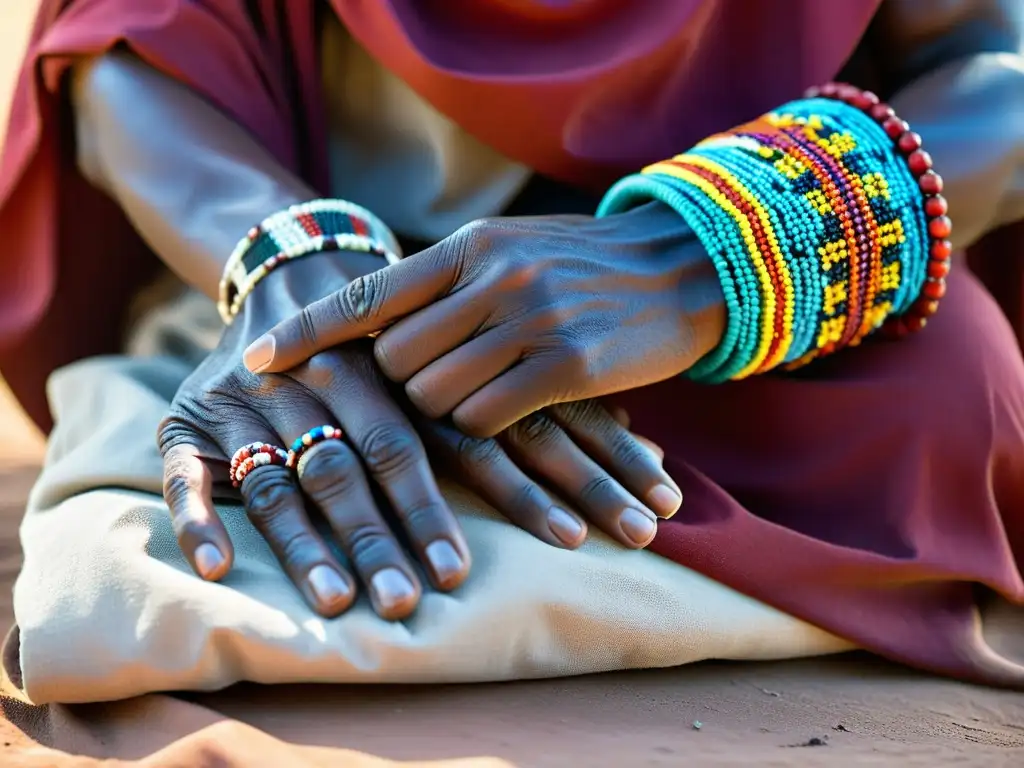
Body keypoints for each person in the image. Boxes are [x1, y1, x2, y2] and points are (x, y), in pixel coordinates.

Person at [0, 0, 1022, 688]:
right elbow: (128, 35)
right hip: (313, 220)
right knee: (205, 493)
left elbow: (994, 65)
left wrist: (687, 255)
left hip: (728, 264)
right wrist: (291, 261)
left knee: (948, 402)